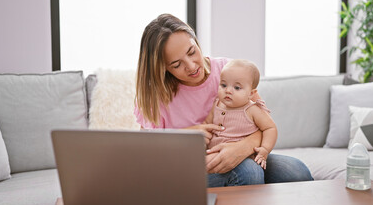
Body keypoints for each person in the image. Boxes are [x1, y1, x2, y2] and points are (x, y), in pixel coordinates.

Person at [134, 13, 313, 186]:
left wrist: (242, 148)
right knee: (249, 171)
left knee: (296, 171)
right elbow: (148, 153)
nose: (191, 66)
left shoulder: (229, 71)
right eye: (176, 64)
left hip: (242, 152)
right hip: (187, 169)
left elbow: (265, 124)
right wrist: (186, 136)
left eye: (191, 52)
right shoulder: (156, 96)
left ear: (195, 41)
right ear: (163, 68)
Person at [204, 59, 276, 171]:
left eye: (237, 88)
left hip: (243, 157)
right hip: (215, 154)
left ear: (251, 93)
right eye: (223, 85)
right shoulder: (217, 104)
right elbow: (207, 125)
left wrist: (265, 149)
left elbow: (270, 128)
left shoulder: (252, 110)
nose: (228, 90)